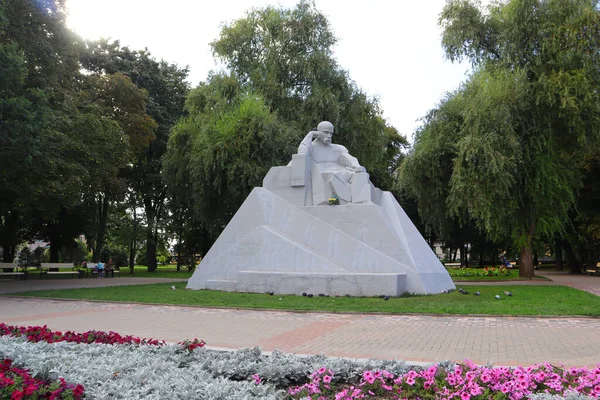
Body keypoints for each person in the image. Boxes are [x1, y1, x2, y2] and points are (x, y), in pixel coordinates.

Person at [294, 121, 370, 205]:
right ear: (318, 132)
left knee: (361, 174)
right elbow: (301, 154)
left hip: (342, 171)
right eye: (326, 132)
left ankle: (360, 201)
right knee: (333, 176)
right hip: (326, 173)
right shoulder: (311, 148)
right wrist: (310, 134)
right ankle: (341, 201)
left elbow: (350, 158)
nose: (329, 136)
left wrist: (357, 166)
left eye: (331, 133)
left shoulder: (338, 148)